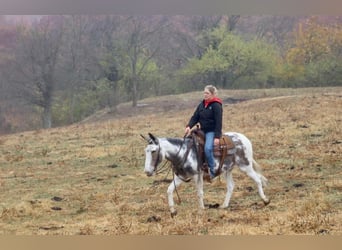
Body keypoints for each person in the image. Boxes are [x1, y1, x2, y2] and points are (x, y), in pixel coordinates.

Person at [185, 85, 223, 179]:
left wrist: (217, 137)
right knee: (190, 144)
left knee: (207, 149)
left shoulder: (216, 105)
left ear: (213, 94)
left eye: (207, 93)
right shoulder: (202, 104)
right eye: (204, 93)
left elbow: (219, 122)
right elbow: (195, 117)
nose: (205, 95)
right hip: (202, 130)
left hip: (211, 131)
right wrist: (189, 126)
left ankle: (213, 170)